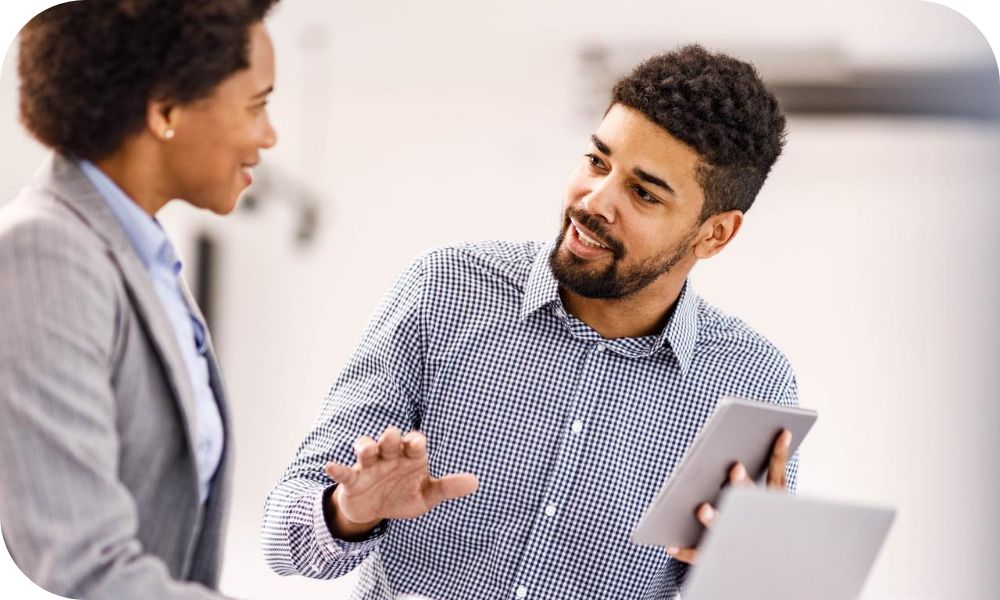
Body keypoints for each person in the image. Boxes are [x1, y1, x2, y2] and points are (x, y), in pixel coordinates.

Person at [262, 44, 797, 599]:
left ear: (715, 234)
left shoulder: (751, 385)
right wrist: (350, 511)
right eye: (597, 161)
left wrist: (746, 579)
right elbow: (284, 537)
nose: (594, 200)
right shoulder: (444, 289)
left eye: (642, 192)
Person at [0, 1, 279, 598]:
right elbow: (79, 565)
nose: (269, 135)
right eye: (257, 106)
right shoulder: (45, 248)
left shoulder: (145, 259)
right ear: (165, 111)